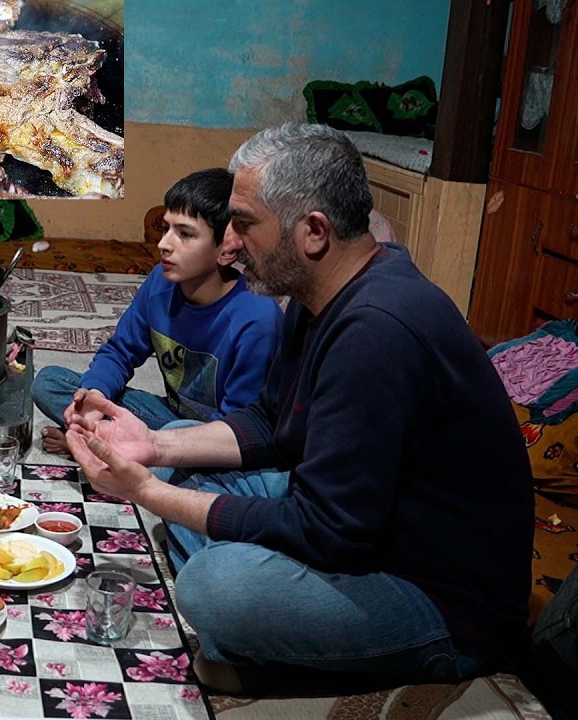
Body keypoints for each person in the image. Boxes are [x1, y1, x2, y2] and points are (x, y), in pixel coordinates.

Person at [65, 123, 534, 694]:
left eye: (243, 224)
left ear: (313, 231)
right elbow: (270, 425)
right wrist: (156, 446)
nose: (231, 245)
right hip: (366, 530)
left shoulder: (377, 332)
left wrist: (145, 491)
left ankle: (281, 650)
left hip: (437, 597)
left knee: (215, 586)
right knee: (189, 438)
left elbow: (327, 531)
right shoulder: (324, 295)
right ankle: (261, 633)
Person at [31, 168, 281, 454]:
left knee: (210, 468)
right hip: (166, 419)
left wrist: (165, 443)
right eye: (166, 229)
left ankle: (103, 446)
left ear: (226, 249)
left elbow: (242, 430)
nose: (163, 244)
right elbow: (120, 352)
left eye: (185, 234)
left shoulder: (257, 318)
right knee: (50, 383)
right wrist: (95, 399)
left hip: (219, 438)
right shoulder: (160, 282)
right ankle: (110, 444)